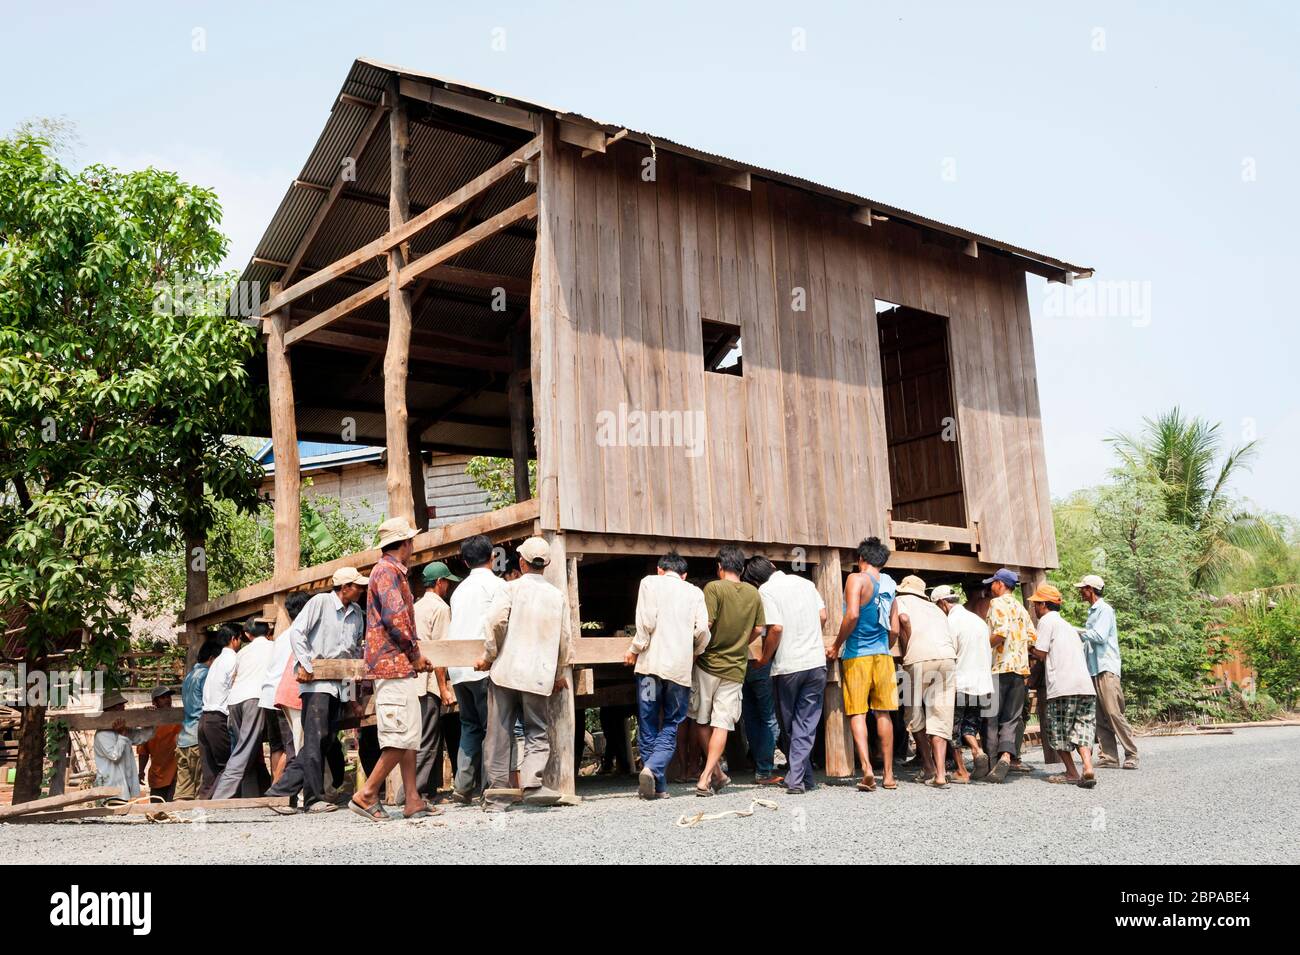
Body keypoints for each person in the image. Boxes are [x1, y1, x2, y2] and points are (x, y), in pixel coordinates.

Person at [474, 536, 574, 810]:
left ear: (521, 562)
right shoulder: (557, 597)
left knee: (499, 732)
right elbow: (565, 640)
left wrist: (489, 656)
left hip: (506, 670)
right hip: (538, 674)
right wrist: (558, 673)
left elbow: (495, 622)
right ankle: (532, 783)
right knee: (537, 731)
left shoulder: (510, 589)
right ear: (547, 565)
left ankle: (497, 793)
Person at [349, 518, 435, 822]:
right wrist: (414, 654)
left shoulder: (389, 571)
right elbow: (396, 617)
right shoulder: (386, 572)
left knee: (409, 734)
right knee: (400, 736)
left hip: (396, 665)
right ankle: (367, 793)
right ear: (406, 544)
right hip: (393, 665)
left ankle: (412, 799)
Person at [266, 569, 368, 813]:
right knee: (316, 739)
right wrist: (305, 663)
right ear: (344, 587)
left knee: (323, 740)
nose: (361, 590)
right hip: (317, 684)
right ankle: (312, 799)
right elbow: (298, 632)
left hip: (337, 687)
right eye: (357, 586)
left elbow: (351, 658)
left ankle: (279, 791)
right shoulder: (321, 602)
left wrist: (351, 697)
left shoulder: (356, 615)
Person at [625, 551, 710, 799]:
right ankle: (657, 782)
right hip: (677, 672)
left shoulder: (649, 582)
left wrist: (634, 648)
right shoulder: (694, 592)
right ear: (684, 575)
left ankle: (652, 772)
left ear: (660, 569)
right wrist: (693, 650)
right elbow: (703, 630)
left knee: (649, 720)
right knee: (672, 723)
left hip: (650, 669)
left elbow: (646, 623)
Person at [746, 556, 827, 795]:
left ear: (754, 581)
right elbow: (822, 616)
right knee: (806, 723)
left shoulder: (766, 591)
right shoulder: (806, 584)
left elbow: (776, 628)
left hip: (788, 667)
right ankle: (804, 778)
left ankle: (795, 780)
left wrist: (764, 659)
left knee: (791, 725)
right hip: (815, 663)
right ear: (772, 566)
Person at [827, 536, 900, 792]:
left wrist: (836, 645)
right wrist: (883, 647)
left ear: (861, 559)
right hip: (883, 655)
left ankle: (867, 768)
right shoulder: (890, 584)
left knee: (858, 712)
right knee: (884, 713)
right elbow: (895, 627)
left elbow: (853, 614)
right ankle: (889, 775)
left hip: (857, 654)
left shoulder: (856, 579)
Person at [692, 545, 765, 797]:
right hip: (735, 668)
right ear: (742, 569)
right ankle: (714, 775)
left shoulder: (713, 588)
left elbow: (706, 625)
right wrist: (741, 641)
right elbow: (759, 629)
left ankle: (707, 775)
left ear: (720, 567)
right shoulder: (753, 593)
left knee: (702, 721)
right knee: (722, 723)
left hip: (707, 664)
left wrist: (695, 650)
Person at [447, 534, 506, 802]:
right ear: (493, 557)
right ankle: (492, 785)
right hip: (483, 665)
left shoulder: (458, 591)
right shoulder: (497, 586)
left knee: (470, 725)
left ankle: (463, 784)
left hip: (458, 669)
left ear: (464, 560)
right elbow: (500, 624)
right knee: (493, 727)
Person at [1027, 584, 1098, 788]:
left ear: (1043, 605)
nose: (1034, 608)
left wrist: (1027, 648)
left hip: (1062, 687)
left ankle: (1072, 772)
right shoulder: (1068, 626)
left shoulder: (1047, 621)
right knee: (1083, 727)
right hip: (1085, 686)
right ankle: (1087, 767)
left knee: (1058, 731)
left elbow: (1040, 653)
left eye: (1036, 604)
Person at [894, 575, 958, 788]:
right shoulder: (936, 608)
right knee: (940, 715)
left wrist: (907, 642)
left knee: (914, 714)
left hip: (919, 659)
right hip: (947, 658)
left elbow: (902, 620)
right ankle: (940, 774)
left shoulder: (900, 601)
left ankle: (928, 766)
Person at [930, 585, 993, 783]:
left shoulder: (950, 622)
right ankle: (977, 749)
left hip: (960, 682)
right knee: (969, 726)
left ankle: (961, 770)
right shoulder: (978, 621)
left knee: (952, 729)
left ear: (942, 603)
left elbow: (949, 655)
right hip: (982, 684)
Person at [1075, 574, 1138, 770]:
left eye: (1083, 588)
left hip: (1106, 668)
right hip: (1094, 669)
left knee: (1113, 711)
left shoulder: (1104, 610)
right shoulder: (1093, 612)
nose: (1080, 591)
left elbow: (1099, 636)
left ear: (1091, 590)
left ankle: (1131, 753)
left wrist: (1073, 631)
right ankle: (1109, 756)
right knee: (1100, 715)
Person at [210, 617, 276, 799]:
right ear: (269, 631)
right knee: (245, 750)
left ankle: (251, 794)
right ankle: (220, 797)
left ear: (247, 634)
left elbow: (234, 677)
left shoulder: (242, 653)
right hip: (254, 699)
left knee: (247, 749)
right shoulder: (274, 647)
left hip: (235, 701)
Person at [983, 568, 1036, 784]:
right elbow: (1032, 638)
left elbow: (1001, 633)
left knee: (991, 717)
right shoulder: (1021, 608)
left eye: (993, 582)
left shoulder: (997, 604)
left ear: (1001, 584)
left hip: (998, 668)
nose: (990, 586)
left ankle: (992, 763)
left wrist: (983, 648)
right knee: (1011, 718)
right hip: (1019, 671)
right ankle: (1007, 755)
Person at [412, 561, 459, 803]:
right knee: (428, 739)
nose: (448, 587)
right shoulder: (441, 608)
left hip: (413, 682)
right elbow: (441, 652)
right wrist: (443, 688)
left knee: (420, 737)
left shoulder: (416, 606)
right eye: (447, 582)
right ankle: (416, 792)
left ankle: (426, 791)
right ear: (439, 583)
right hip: (428, 681)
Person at [739, 560, 783, 786]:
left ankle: (759, 765)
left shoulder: (743, 598)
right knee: (768, 716)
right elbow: (764, 629)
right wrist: (765, 657)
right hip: (761, 662)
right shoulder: (764, 594)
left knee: (751, 717)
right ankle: (764, 770)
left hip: (742, 663)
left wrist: (737, 647)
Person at [198, 625, 241, 799]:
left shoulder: (216, 662)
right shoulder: (232, 659)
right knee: (227, 766)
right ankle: (220, 801)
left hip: (205, 717)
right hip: (217, 718)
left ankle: (205, 801)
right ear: (234, 639)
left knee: (210, 769)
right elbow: (233, 686)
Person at [174, 639, 219, 800]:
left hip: (184, 739)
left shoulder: (189, 676)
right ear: (213, 658)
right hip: (198, 739)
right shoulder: (207, 675)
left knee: (183, 792)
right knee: (203, 789)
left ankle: (178, 820)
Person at [93, 691, 154, 800]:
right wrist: (122, 735)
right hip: (110, 788)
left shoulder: (123, 729)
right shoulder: (102, 734)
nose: (123, 709)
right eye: (118, 707)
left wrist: (149, 720)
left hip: (123, 787)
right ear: (109, 711)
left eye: (122, 705)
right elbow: (114, 756)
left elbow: (141, 737)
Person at [136, 686, 181, 802]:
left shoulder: (178, 717)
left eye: (168, 697)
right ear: (154, 702)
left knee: (175, 810)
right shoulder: (149, 723)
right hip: (158, 776)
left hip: (176, 774)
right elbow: (143, 751)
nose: (167, 700)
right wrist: (141, 771)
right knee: (157, 812)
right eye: (163, 698)